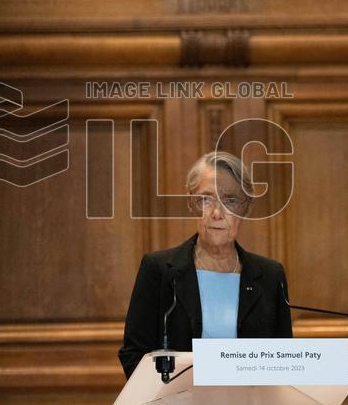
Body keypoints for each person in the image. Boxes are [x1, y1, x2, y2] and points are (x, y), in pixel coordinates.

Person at [118, 151, 293, 379]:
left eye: (230, 200)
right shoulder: (158, 270)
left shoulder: (270, 276)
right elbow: (134, 353)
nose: (217, 213)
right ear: (191, 203)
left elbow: (285, 359)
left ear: (246, 208)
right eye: (205, 199)